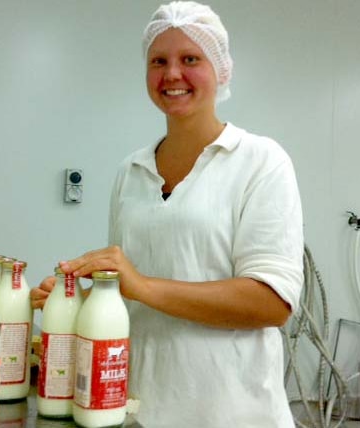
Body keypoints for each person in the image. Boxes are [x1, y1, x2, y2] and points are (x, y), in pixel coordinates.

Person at [31, 2, 304, 427]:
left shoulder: (260, 161)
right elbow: (131, 295)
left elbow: (272, 302)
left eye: (190, 59)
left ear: (221, 70)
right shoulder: (132, 170)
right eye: (159, 61)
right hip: (142, 410)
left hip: (234, 413)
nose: (172, 74)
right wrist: (81, 302)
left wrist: (140, 285)